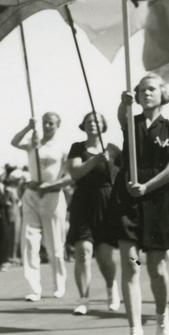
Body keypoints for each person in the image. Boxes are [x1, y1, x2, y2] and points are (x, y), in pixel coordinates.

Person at [103, 75, 169, 335]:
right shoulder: (131, 121)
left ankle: (162, 318)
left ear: (163, 94)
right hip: (127, 197)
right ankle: (135, 333)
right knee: (131, 265)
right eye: (142, 90)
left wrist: (148, 186)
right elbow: (121, 116)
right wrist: (122, 102)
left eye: (152, 89)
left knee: (156, 268)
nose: (146, 93)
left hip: (157, 197)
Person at [10, 112, 69, 302]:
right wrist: (28, 128)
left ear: (58, 125)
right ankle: (34, 288)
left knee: (54, 245)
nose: (47, 126)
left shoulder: (62, 147)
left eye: (51, 123)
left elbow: (69, 174)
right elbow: (14, 142)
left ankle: (59, 285)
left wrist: (53, 185)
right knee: (29, 241)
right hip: (32, 194)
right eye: (45, 123)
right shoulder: (33, 142)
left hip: (53, 195)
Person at [65, 112, 121, 316]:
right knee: (83, 251)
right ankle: (84, 299)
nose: (93, 124)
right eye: (89, 121)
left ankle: (111, 288)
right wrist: (95, 160)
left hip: (106, 203)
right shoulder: (77, 148)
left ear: (103, 125)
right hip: (83, 203)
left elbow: (124, 174)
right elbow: (74, 172)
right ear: (84, 125)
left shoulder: (113, 149)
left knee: (105, 256)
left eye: (97, 121)